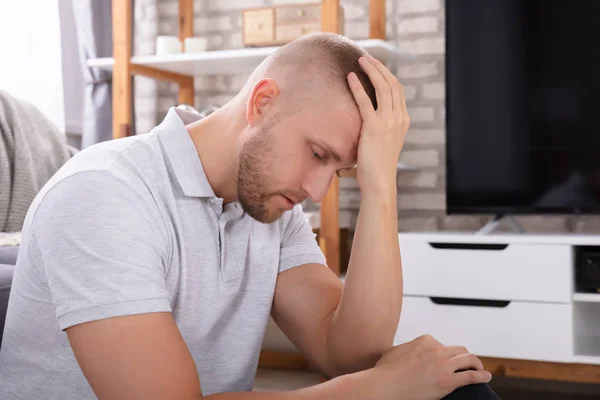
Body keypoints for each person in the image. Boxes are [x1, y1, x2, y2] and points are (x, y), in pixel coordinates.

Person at [0, 33, 494, 399]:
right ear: (262, 102)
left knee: (458, 388)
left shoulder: (268, 206)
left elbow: (349, 353)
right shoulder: (104, 193)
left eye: (340, 172)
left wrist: (379, 184)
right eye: (318, 153)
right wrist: (378, 388)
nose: (316, 191)